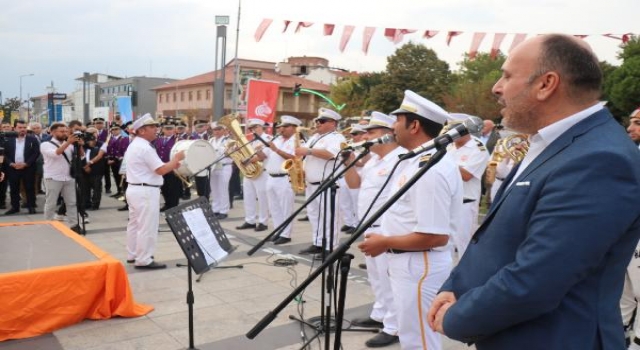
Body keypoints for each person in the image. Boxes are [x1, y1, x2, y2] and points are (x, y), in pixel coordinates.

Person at [427, 34, 640, 350]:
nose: (497, 87)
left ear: (546, 84)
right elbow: (500, 238)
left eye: (508, 75)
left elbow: (537, 279)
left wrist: (456, 317)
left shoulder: (599, 158)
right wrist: (457, 288)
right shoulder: (552, 144)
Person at [358, 90, 463, 350]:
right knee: (410, 336)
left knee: (419, 341)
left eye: (397, 120)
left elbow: (435, 235)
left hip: (419, 263)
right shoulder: (413, 161)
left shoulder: (431, 169)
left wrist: (384, 242)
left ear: (414, 125)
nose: (392, 127)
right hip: (407, 260)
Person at [345, 112, 403, 348]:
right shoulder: (373, 161)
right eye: (366, 132)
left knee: (389, 279)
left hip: (386, 229)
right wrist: (348, 162)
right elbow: (354, 184)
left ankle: (394, 326)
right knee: (376, 277)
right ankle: (380, 314)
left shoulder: (400, 158)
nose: (367, 137)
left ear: (388, 135)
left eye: (372, 132)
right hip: (369, 227)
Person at [125, 114, 184, 269]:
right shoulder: (144, 146)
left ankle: (132, 254)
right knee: (147, 226)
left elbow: (155, 167)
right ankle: (144, 259)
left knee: (135, 224)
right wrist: (176, 159)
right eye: (152, 127)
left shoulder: (136, 144)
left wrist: (171, 164)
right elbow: (161, 169)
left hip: (136, 188)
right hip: (145, 191)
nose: (156, 130)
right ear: (142, 131)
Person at [296, 108, 346, 256]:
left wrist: (309, 151)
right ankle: (318, 243)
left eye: (322, 121)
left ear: (333, 123)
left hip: (328, 183)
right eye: (317, 121)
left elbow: (332, 155)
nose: (318, 124)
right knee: (314, 215)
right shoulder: (314, 138)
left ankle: (331, 247)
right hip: (312, 184)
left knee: (330, 217)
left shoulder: (337, 138)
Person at [446, 113, 490, 258]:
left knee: (463, 244)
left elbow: (466, 175)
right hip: (446, 200)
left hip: (465, 201)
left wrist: (444, 162)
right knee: (446, 244)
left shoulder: (478, 148)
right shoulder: (449, 146)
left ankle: (464, 279)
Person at [255, 115, 300, 245]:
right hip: (271, 177)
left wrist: (276, 149)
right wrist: (259, 151)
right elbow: (264, 156)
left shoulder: (296, 141)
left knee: (285, 208)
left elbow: (293, 158)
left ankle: (286, 235)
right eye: (280, 127)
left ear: (293, 128)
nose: (281, 129)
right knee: (274, 208)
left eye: (285, 127)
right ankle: (277, 231)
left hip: (285, 178)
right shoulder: (277, 139)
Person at [41, 122, 84, 234]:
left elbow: (81, 156)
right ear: (53, 132)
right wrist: (68, 142)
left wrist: (79, 145)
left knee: (72, 202)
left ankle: (74, 225)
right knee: (51, 203)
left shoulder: (69, 144)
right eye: (61, 131)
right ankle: (48, 223)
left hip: (68, 177)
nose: (64, 133)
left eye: (66, 131)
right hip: (53, 177)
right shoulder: (46, 144)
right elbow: (56, 153)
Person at [622, 107, 640, 349]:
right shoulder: (631, 154)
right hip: (627, 238)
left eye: (637, 122)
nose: (629, 127)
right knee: (622, 302)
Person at [235, 118, 271, 232]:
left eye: (255, 127)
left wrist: (249, 160)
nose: (253, 130)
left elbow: (263, 156)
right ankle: (250, 220)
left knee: (262, 198)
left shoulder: (267, 139)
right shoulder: (252, 141)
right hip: (250, 173)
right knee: (248, 197)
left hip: (262, 173)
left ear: (261, 127)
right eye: (251, 128)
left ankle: (263, 222)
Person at [3, 120, 40, 215]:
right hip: (12, 168)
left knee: (29, 187)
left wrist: (26, 164)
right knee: (14, 188)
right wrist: (11, 163)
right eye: (20, 128)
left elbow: (36, 153)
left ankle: (31, 206)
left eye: (24, 128)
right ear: (14, 128)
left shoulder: (32, 139)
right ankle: (15, 207)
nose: (22, 130)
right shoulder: (7, 140)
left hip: (28, 167)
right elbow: (4, 154)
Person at [338, 124, 366, 234]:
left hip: (358, 177)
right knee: (345, 202)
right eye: (352, 134)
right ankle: (349, 222)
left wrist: (352, 160)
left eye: (355, 134)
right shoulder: (349, 145)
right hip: (346, 175)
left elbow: (362, 164)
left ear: (362, 134)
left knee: (355, 202)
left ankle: (356, 224)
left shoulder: (364, 146)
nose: (352, 136)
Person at [153, 118, 181, 212]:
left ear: (174, 129)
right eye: (166, 128)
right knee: (164, 188)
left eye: (171, 128)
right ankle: (167, 204)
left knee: (173, 188)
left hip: (172, 168)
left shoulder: (178, 140)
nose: (169, 130)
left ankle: (173, 207)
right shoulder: (158, 140)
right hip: (162, 167)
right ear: (162, 129)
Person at [209, 123, 232, 219]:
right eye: (215, 130)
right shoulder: (210, 140)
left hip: (225, 166)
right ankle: (216, 209)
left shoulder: (228, 141)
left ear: (223, 130)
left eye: (219, 129)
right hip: (213, 167)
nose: (217, 132)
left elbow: (231, 154)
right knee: (214, 190)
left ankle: (224, 211)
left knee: (223, 189)